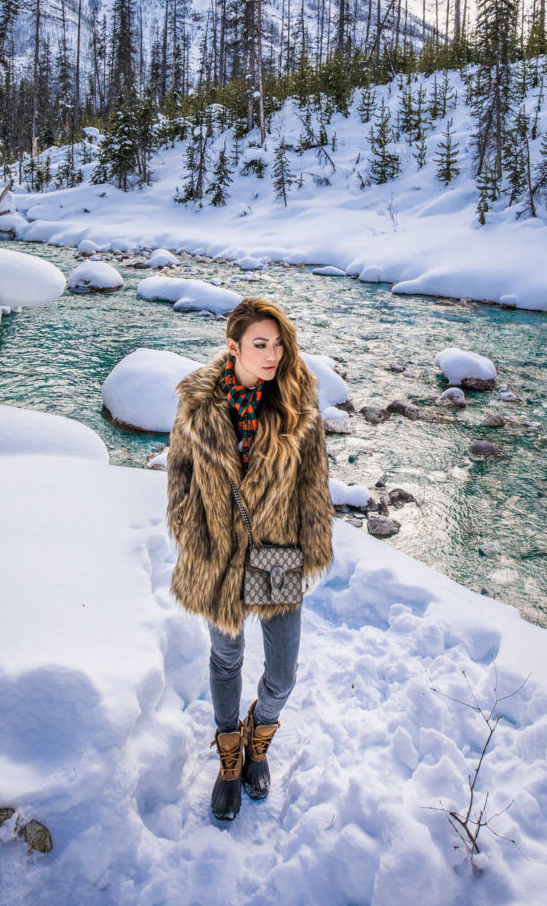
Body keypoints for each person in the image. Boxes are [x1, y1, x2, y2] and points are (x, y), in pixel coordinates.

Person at [166, 296, 334, 822]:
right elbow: (179, 477)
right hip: (218, 555)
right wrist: (193, 535)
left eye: (279, 344)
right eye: (260, 344)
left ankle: (259, 734)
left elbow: (315, 481)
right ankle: (231, 755)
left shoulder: (297, 400)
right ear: (233, 347)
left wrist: (310, 546)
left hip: (277, 553)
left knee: (282, 674)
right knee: (226, 658)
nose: (273, 355)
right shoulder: (198, 406)